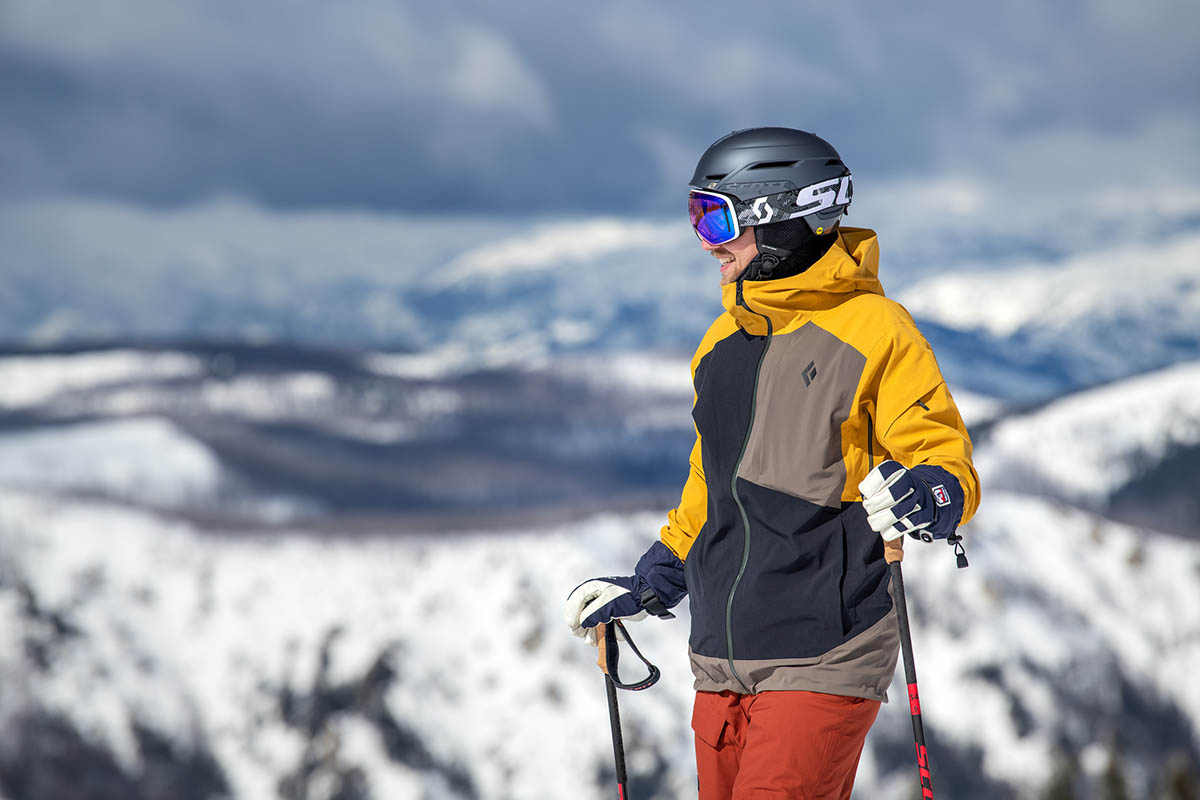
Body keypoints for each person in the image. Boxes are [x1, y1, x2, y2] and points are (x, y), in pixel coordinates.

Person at [564, 127, 980, 799]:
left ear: (777, 218)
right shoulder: (720, 342)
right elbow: (712, 488)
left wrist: (925, 496)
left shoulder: (877, 331)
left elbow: (945, 462)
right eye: (696, 216)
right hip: (721, 660)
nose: (705, 240)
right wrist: (654, 580)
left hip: (825, 652)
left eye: (716, 216)